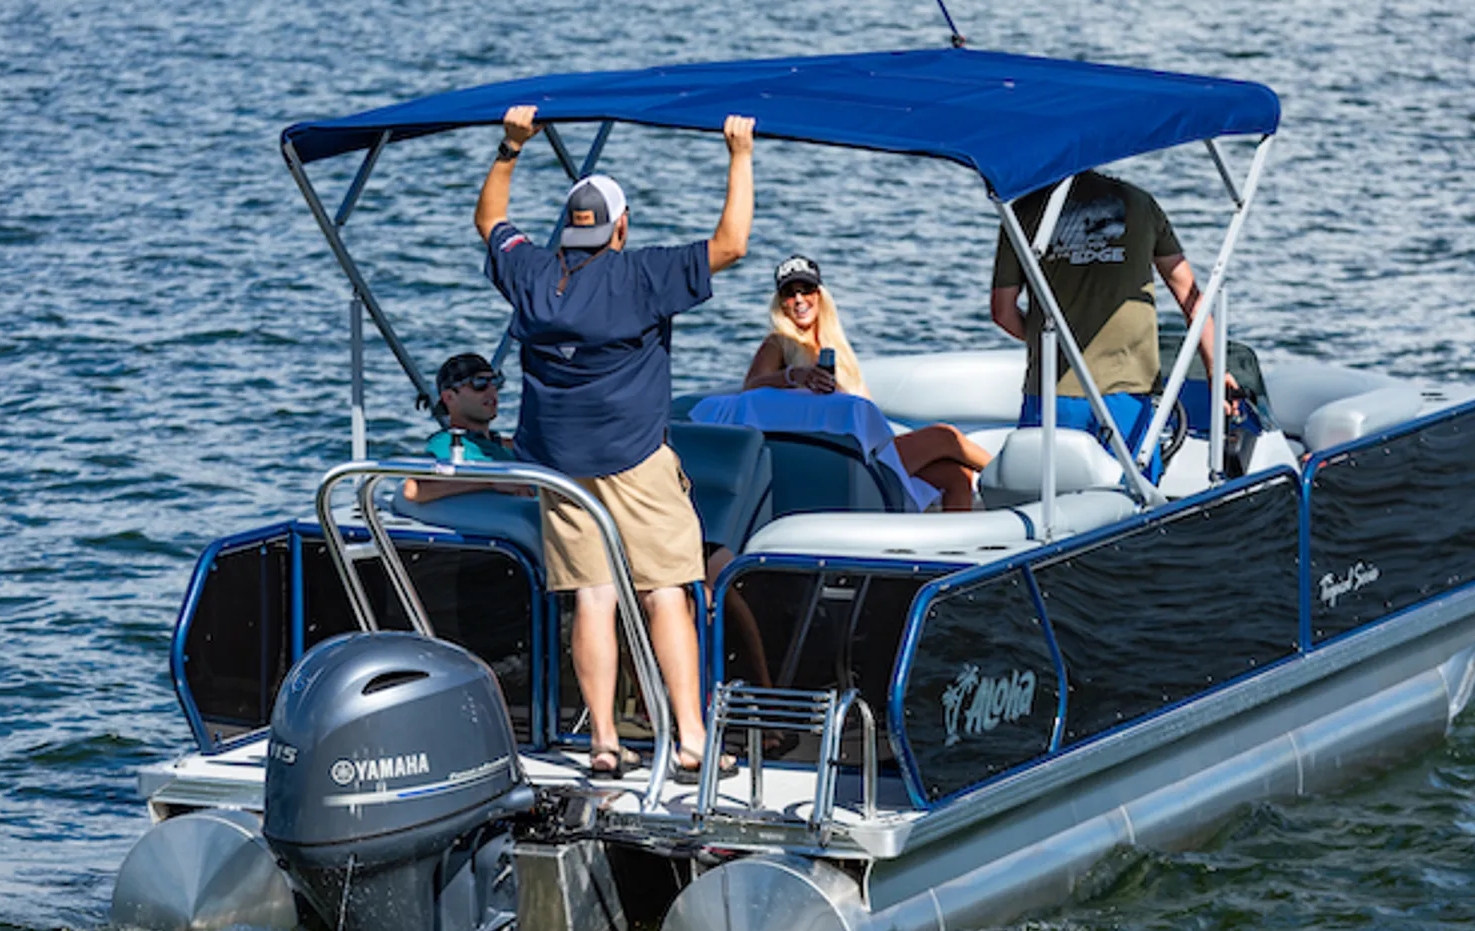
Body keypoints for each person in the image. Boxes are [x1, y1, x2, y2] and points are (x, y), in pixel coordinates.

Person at [477, 102, 755, 783]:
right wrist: (740, 156)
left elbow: (489, 222)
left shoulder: (533, 275)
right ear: (619, 228)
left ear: (569, 230)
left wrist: (510, 149)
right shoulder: (642, 276)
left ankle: (603, 741)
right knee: (667, 592)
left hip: (559, 471)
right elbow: (732, 244)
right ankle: (689, 737)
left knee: (593, 598)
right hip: (636, 464)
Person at [989, 171, 1237, 481]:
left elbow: (1002, 311)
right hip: (1128, 391)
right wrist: (1216, 368)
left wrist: (1051, 341)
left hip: (1054, 389)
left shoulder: (1022, 212)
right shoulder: (1140, 203)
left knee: (1045, 501)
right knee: (1132, 504)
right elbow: (1192, 298)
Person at [744, 254, 991, 511]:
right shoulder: (779, 342)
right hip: (840, 454)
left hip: (865, 445)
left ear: (819, 295)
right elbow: (751, 386)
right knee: (945, 436)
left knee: (957, 476)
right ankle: (1016, 480)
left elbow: (865, 405)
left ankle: (951, 547)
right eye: (789, 293)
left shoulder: (833, 344)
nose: (799, 300)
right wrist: (794, 376)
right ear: (780, 303)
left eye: (806, 290)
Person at [402, 353, 519, 503]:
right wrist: (491, 481)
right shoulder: (445, 443)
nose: (492, 391)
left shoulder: (503, 444)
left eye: (496, 382)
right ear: (449, 397)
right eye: (480, 383)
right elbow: (413, 490)